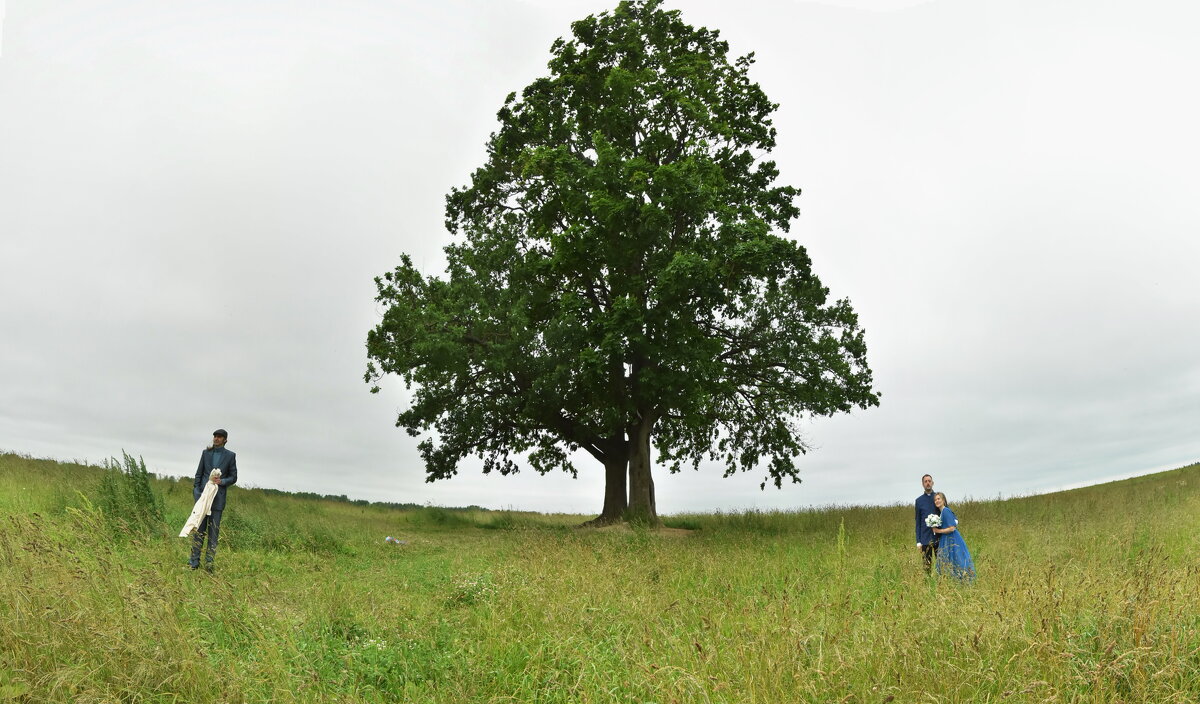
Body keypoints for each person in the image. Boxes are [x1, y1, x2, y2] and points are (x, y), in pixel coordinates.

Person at [187, 429, 238, 571]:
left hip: (218, 500)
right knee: (199, 531)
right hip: (202, 499)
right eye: (215, 436)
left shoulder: (230, 456)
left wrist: (222, 481)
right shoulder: (206, 453)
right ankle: (193, 563)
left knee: (213, 534)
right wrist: (196, 492)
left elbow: (234, 477)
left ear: (225, 440)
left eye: (219, 437)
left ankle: (209, 564)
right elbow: (198, 474)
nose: (216, 438)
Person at [931, 492, 975, 581]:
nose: (937, 501)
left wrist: (938, 531)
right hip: (946, 539)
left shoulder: (946, 511)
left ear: (943, 500)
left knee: (957, 559)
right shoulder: (942, 512)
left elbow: (952, 528)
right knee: (948, 561)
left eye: (938, 499)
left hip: (952, 538)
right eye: (935, 500)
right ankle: (951, 581)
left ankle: (962, 580)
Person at [915, 474, 938, 572]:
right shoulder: (919, 501)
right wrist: (918, 541)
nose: (928, 483)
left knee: (941, 564)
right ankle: (928, 585)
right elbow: (918, 521)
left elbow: (946, 511)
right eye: (925, 481)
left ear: (932, 483)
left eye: (929, 481)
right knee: (927, 566)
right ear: (922, 484)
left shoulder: (938, 497)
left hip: (938, 537)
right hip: (925, 538)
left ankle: (941, 584)